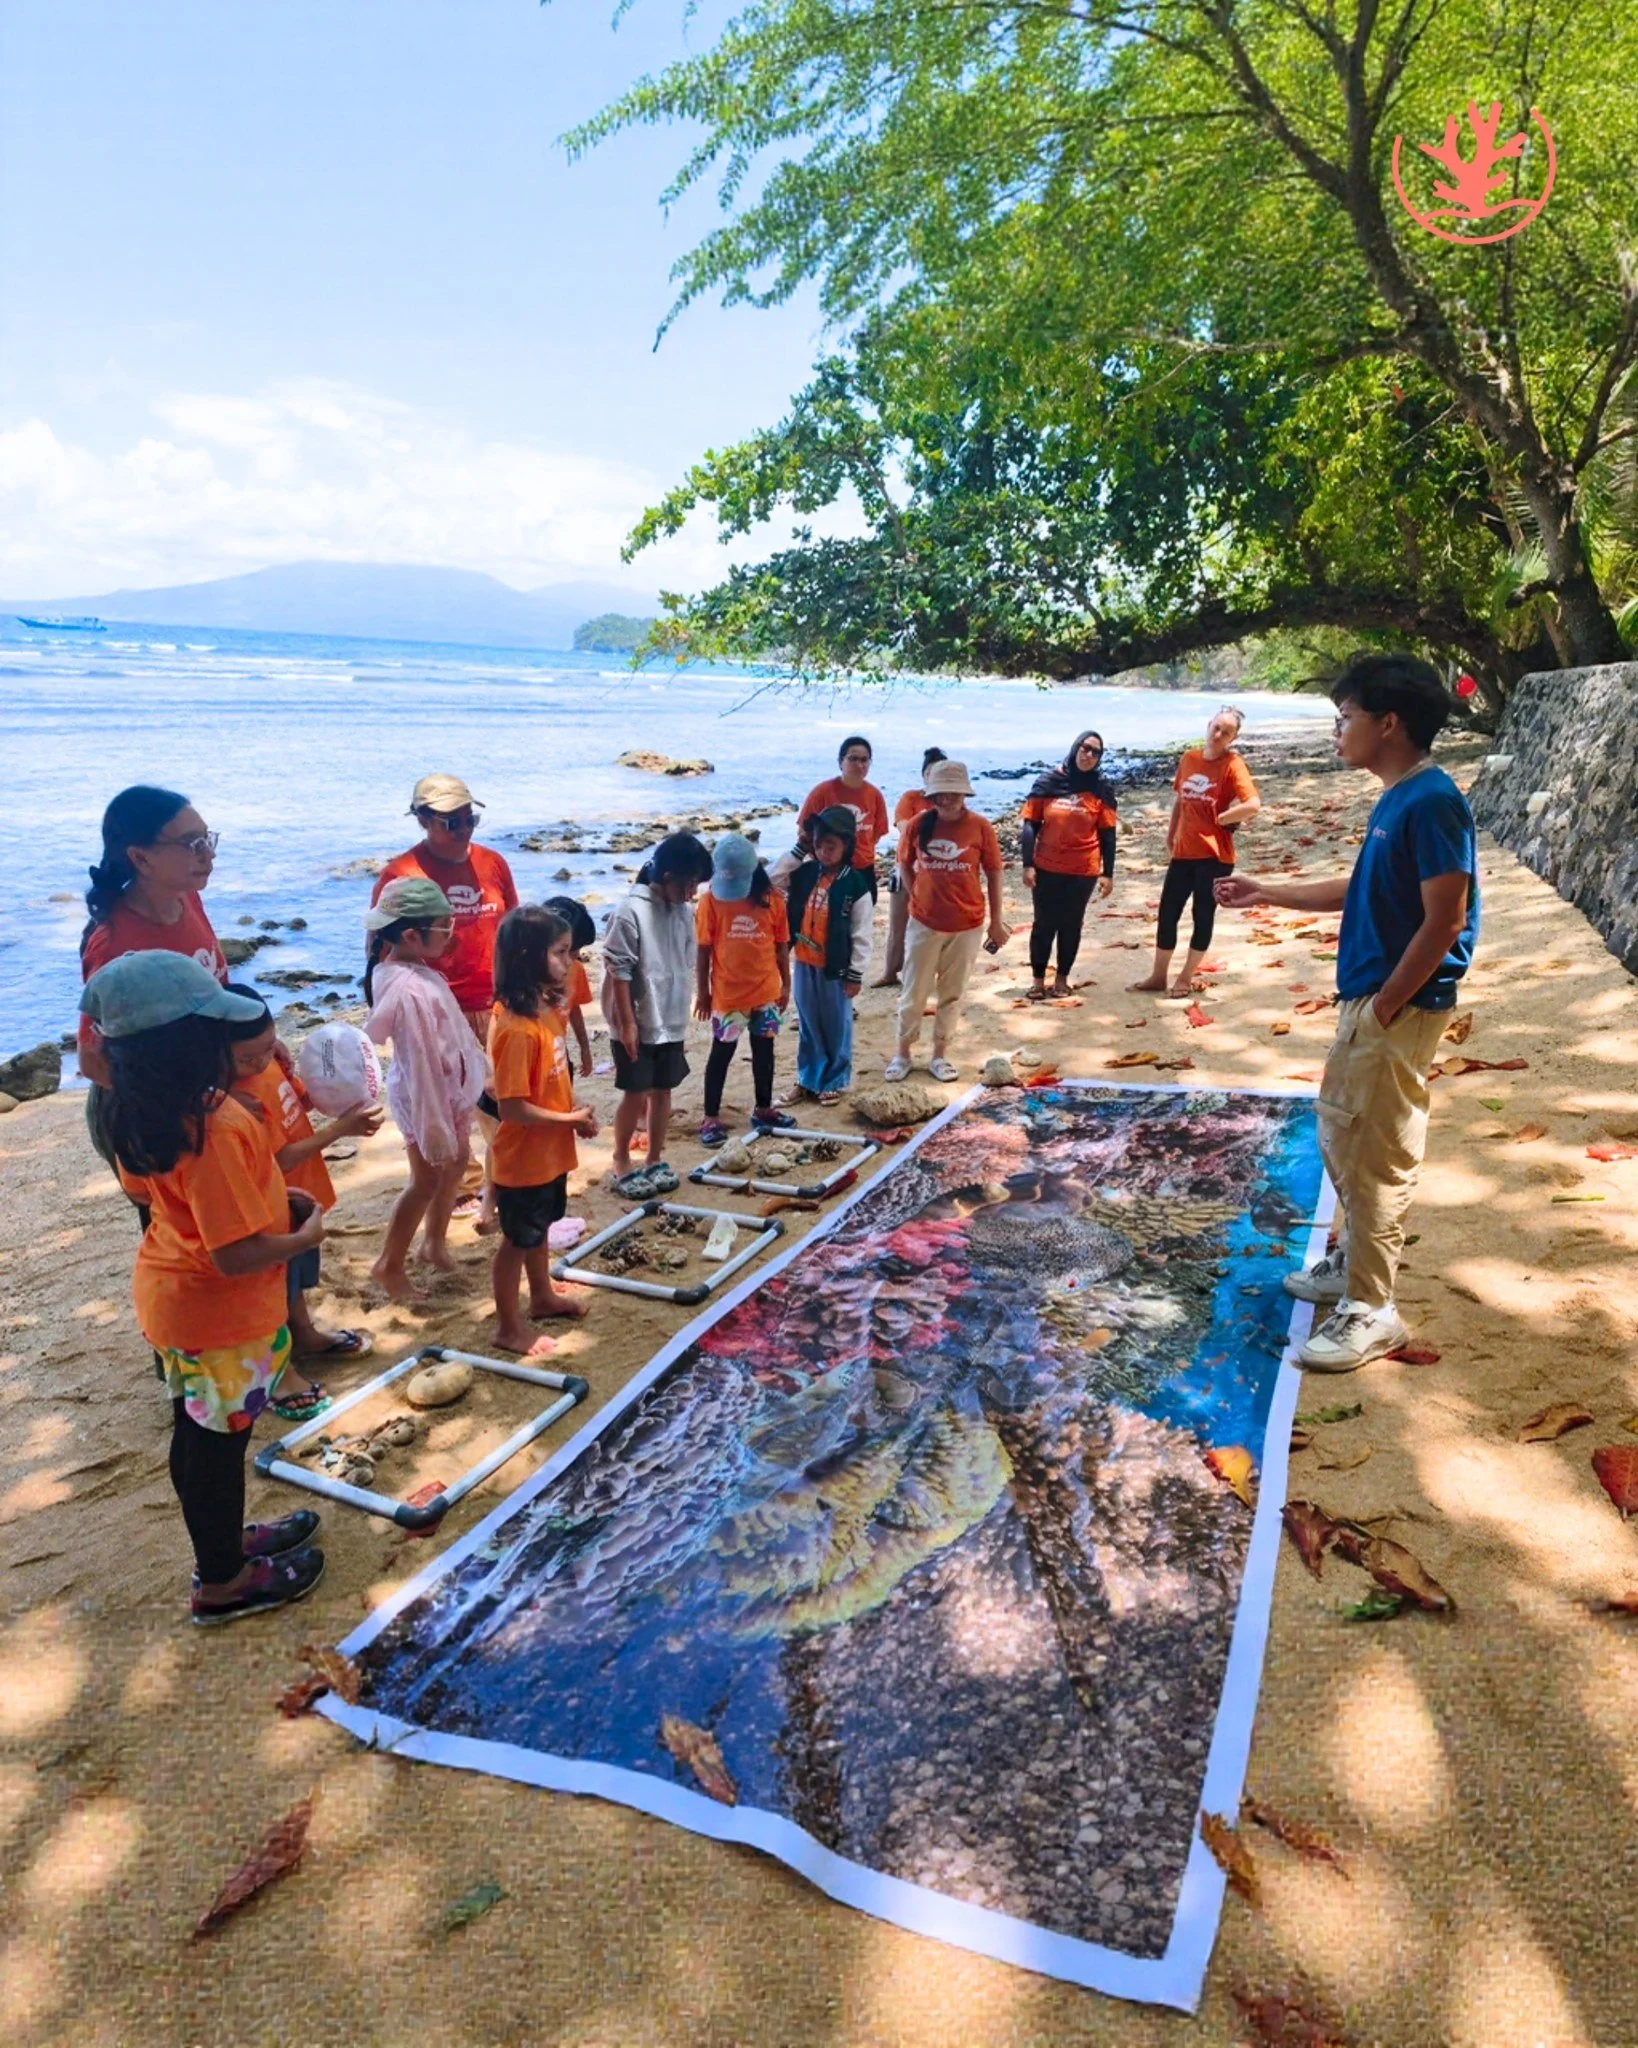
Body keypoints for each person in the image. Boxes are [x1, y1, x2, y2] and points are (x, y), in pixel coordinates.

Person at [1215, 653, 1479, 1372]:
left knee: (1377, 1155)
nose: (1338, 731)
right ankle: (1351, 1261)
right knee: (1343, 1137)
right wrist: (1265, 891)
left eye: (1347, 717)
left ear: (1388, 723)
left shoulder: (1432, 802)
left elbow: (1446, 919)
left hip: (1394, 1006)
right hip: (1369, 1000)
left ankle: (1372, 1308)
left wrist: (1389, 1005)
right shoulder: (1396, 798)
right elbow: (1359, 888)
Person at [80, 951, 328, 1627]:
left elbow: (182, 1201)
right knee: (219, 1450)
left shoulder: (135, 1109)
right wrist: (302, 1239)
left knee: (197, 1436)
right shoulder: (212, 1125)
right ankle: (223, 1581)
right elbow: (234, 1251)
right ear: (187, 1045)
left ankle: (222, 1543)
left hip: (172, 1299)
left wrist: (273, 1196)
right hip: (221, 1316)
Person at [224, 986, 383, 1412]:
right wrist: (339, 1131)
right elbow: (278, 1157)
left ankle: (305, 1334)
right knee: (275, 1285)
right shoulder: (236, 1100)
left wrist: (340, 1087)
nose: (259, 1061)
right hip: (272, 1200)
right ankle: (277, 1369)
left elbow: (301, 1099)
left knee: (296, 1276)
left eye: (267, 1046)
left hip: (299, 1192)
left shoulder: (270, 1065)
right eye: (247, 1058)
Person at [373, 774, 518, 1220]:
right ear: (423, 820)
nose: (463, 830)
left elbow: (512, 929)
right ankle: (463, 1185)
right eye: (451, 823)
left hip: (492, 1002)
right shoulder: (401, 876)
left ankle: (500, 1184)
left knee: (499, 1104)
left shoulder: (492, 863)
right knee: (444, 1109)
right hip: (432, 1015)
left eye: (469, 818)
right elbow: (382, 951)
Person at [78, 787, 228, 1200]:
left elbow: (217, 989)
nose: (208, 854)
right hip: (155, 1118)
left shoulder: (188, 897)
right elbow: (94, 1061)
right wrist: (187, 1113)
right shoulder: (114, 944)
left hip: (207, 1097)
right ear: (140, 858)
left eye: (207, 838)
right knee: (184, 1246)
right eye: (190, 844)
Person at [363, 877, 487, 1301]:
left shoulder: (412, 971)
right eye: (444, 928)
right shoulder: (408, 990)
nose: (451, 937)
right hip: (425, 1098)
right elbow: (421, 1065)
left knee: (455, 1166)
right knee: (425, 1180)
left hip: (445, 1090)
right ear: (413, 936)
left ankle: (433, 1245)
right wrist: (434, 1128)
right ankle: (389, 1264)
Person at [488, 906, 597, 1354]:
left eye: (569, 952)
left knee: (542, 1228)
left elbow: (553, 1078)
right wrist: (568, 1120)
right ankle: (507, 1327)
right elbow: (512, 1107)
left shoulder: (545, 1013)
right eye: (559, 953)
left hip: (550, 1152)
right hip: (522, 1159)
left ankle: (542, 1297)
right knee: (516, 1241)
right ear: (529, 958)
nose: (569, 962)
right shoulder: (515, 1029)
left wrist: (572, 1115)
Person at [602, 832, 714, 1197]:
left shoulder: (681, 910)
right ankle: (621, 1158)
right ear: (667, 877)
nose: (693, 892)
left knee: (663, 1090)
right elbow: (619, 971)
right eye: (689, 883)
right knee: (635, 1091)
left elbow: (682, 959)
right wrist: (628, 1023)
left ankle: (653, 1157)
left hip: (670, 1016)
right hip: (637, 1018)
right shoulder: (630, 911)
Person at [886, 761, 1008, 1082]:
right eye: (941, 794)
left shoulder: (980, 827)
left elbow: (994, 873)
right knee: (914, 991)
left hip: (967, 923)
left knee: (951, 994)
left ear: (964, 793)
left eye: (954, 793)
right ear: (932, 795)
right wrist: (916, 897)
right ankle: (903, 1053)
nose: (947, 799)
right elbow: (904, 863)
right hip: (924, 923)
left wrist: (998, 921)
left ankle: (940, 1054)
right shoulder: (917, 825)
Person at [1133, 706, 1261, 998]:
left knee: (1202, 914)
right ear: (1208, 725)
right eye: (1216, 728)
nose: (1218, 735)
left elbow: (1253, 804)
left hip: (1215, 857)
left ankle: (1185, 977)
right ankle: (1158, 976)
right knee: (1168, 913)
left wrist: (1223, 818)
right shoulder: (1189, 758)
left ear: (1233, 737)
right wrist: (1170, 833)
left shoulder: (1233, 764)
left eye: (1226, 732)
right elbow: (1180, 800)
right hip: (1184, 852)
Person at [694, 833, 794, 1146]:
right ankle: (710, 1117)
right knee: (721, 1054)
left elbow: (780, 945)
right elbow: (703, 950)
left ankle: (763, 1108)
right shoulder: (710, 901)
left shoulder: (772, 898)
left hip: (765, 991)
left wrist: (786, 983)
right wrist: (703, 993)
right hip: (728, 995)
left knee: (765, 1051)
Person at [773, 806, 874, 1104]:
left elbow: (861, 934)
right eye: (818, 845)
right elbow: (772, 879)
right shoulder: (804, 872)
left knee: (836, 1024)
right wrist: (798, 849)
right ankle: (807, 1078)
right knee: (808, 1022)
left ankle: (835, 1078)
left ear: (847, 846)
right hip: (804, 962)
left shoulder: (855, 884)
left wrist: (855, 974)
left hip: (836, 967)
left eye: (831, 846)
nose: (824, 852)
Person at [1020, 733, 1118, 1000]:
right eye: (1085, 749)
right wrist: (1027, 864)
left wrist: (1108, 873)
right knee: (1044, 924)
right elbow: (1030, 826)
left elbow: (1108, 834)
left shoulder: (1101, 788)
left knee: (1071, 924)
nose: (1088, 755)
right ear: (1075, 748)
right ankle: (1038, 981)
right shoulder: (1048, 782)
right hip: (1046, 866)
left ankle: (1062, 980)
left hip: (1083, 870)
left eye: (1096, 752)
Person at [875, 747, 946, 987]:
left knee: (934, 923)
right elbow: (905, 828)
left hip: (938, 871)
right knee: (898, 922)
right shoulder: (911, 798)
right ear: (923, 774)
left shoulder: (949, 802)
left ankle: (926, 971)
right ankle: (889, 971)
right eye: (930, 771)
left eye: (939, 772)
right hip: (906, 867)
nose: (933, 776)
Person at [797, 737, 891, 896]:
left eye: (864, 760)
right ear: (841, 761)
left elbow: (876, 833)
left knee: (863, 917)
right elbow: (803, 831)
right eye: (853, 759)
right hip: (827, 869)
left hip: (863, 870)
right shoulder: (822, 792)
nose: (859, 765)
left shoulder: (875, 795)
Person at [545, 894, 598, 1077]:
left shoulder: (575, 970)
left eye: (575, 950)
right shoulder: (525, 976)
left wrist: (585, 1047)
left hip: (558, 1050)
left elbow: (573, 1007)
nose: (574, 957)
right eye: (565, 950)